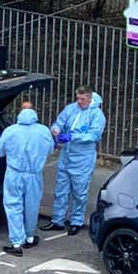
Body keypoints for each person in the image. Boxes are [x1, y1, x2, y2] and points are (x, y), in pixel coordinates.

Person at [40, 85, 106, 236]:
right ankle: (58, 220)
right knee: (61, 190)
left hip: (83, 159)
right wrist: (56, 130)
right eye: (77, 98)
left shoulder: (96, 115)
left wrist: (73, 137)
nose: (79, 101)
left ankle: (76, 221)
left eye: (82, 99)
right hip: (66, 155)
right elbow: (59, 121)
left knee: (79, 193)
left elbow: (94, 135)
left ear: (89, 98)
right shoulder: (71, 109)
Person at [0, 108, 55, 256]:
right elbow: (50, 150)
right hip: (34, 175)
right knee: (32, 206)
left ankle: (16, 243)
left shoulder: (10, 131)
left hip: (14, 174)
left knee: (13, 206)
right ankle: (29, 238)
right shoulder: (43, 131)